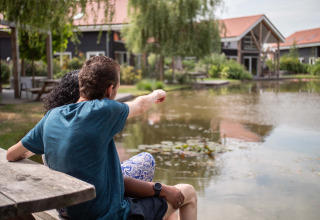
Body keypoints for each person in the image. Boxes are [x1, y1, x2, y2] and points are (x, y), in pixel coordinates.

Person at [6, 56, 197, 220]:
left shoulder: (52, 116)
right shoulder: (103, 110)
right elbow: (139, 105)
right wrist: (157, 93)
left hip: (71, 212)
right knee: (187, 192)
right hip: (109, 215)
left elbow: (12, 154)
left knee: (162, 199)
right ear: (110, 89)